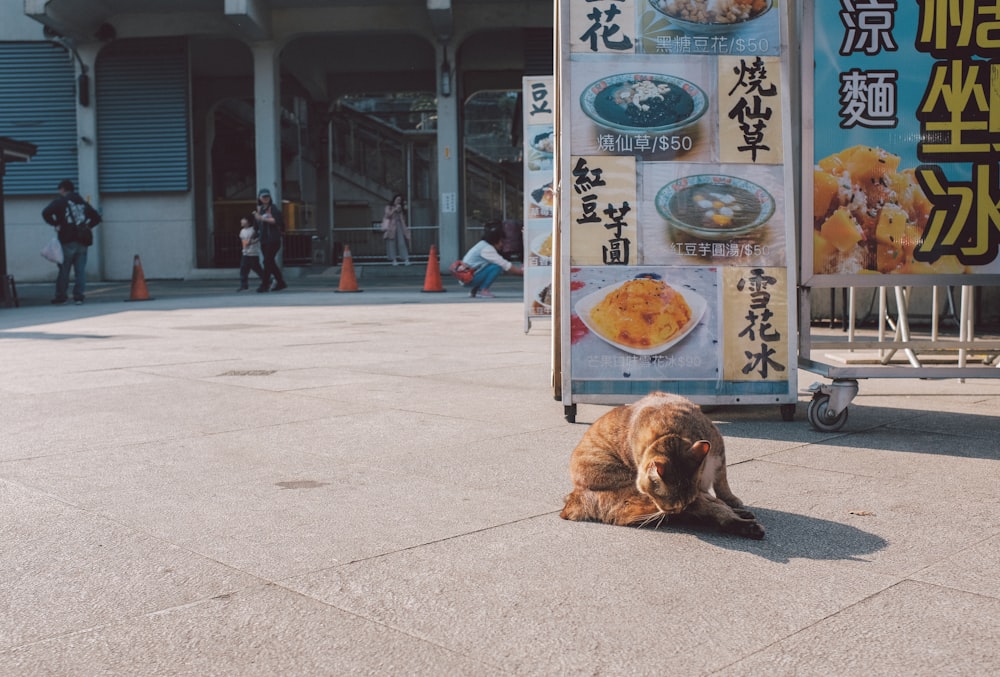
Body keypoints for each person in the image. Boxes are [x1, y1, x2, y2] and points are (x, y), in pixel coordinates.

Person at [41, 179, 102, 305]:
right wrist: (88, 226)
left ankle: (61, 296)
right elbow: (97, 217)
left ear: (63, 189)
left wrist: (56, 223)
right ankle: (79, 296)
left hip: (67, 240)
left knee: (64, 270)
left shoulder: (60, 202)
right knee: (80, 271)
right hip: (83, 241)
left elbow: (46, 213)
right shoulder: (82, 202)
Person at [461, 221, 523, 298]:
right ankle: (483, 290)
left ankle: (475, 290)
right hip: (468, 279)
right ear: (495, 240)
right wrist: (521, 272)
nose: (502, 245)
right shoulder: (487, 249)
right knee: (496, 267)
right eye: (501, 241)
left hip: (467, 276)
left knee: (491, 266)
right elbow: (504, 264)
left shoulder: (482, 245)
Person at [254, 188, 287, 292]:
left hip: (273, 239)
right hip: (264, 240)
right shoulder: (260, 210)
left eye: (267, 196)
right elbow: (257, 226)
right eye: (263, 197)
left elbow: (276, 221)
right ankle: (280, 282)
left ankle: (265, 284)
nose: (265, 198)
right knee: (269, 262)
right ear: (259, 198)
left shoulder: (273, 208)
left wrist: (262, 218)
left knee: (267, 261)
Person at [381, 193, 411, 265]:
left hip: (400, 225)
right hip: (391, 227)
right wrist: (394, 209)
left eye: (400, 200)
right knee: (391, 243)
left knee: (402, 243)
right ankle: (393, 259)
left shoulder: (401, 207)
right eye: (397, 199)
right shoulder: (389, 207)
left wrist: (402, 210)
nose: (398, 201)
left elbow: (403, 217)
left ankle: (405, 258)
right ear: (394, 200)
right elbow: (387, 215)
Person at [237, 216, 265, 291]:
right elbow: (244, 241)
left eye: (243, 220)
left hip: (253, 253)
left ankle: (267, 280)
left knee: (257, 269)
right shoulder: (242, 231)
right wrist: (245, 247)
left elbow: (258, 238)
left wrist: (252, 242)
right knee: (243, 269)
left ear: (248, 222)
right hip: (245, 253)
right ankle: (244, 285)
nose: (242, 222)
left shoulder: (253, 230)